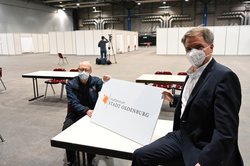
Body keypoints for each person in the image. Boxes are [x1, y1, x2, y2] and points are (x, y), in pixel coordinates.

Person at [132, 27, 243, 166]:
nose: (193, 53)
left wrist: (205, 161)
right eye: (188, 49)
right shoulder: (192, 72)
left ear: (211, 47)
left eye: (198, 47)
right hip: (183, 136)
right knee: (140, 156)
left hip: (203, 144)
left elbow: (226, 132)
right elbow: (198, 99)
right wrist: (174, 98)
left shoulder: (224, 77)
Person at [62, 61, 110, 166]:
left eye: (86, 70)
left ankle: (91, 157)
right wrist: (86, 110)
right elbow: (73, 103)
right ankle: (72, 159)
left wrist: (107, 82)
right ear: (78, 70)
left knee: (92, 132)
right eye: (81, 69)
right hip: (76, 113)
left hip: (92, 113)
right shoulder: (71, 84)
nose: (83, 72)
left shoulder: (95, 81)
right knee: (66, 130)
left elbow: (107, 91)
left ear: (90, 71)